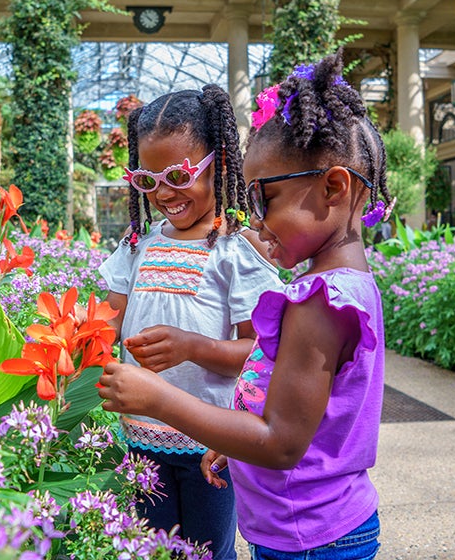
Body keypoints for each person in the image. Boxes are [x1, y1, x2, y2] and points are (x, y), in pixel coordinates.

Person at [99, 51, 390, 559]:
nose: (254, 220)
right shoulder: (341, 288)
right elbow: (283, 411)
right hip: (313, 524)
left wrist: (158, 398)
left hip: (310, 538)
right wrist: (235, 444)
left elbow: (279, 442)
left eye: (264, 201)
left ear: (334, 187)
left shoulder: (320, 303)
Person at [98, 85, 281, 560]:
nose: (163, 193)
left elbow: (263, 353)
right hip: (139, 435)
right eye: (147, 179)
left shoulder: (235, 251)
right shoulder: (137, 246)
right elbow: (106, 324)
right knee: (146, 550)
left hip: (211, 442)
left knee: (206, 552)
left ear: (219, 165)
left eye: (178, 175)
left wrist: (193, 347)